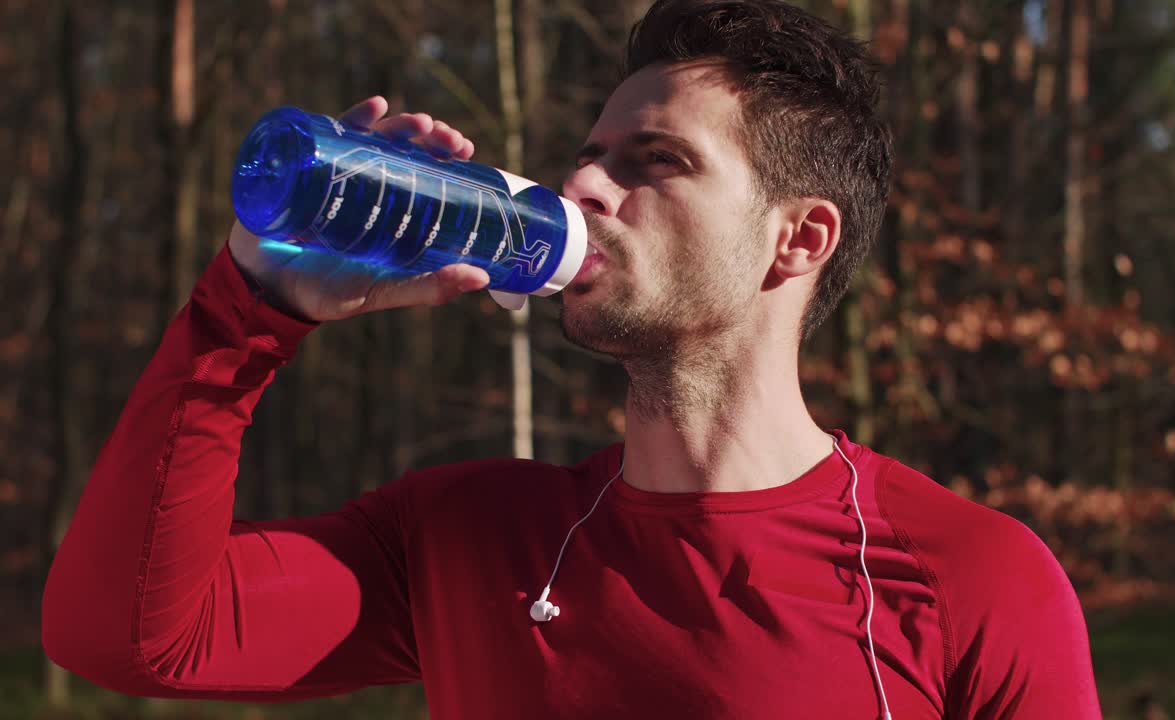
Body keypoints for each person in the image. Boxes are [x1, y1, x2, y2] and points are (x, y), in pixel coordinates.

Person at [42, 1, 1103, 718]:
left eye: (657, 163)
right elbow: (124, 638)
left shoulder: (972, 579)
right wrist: (249, 311)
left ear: (798, 238)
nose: (583, 190)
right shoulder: (467, 539)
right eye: (590, 158)